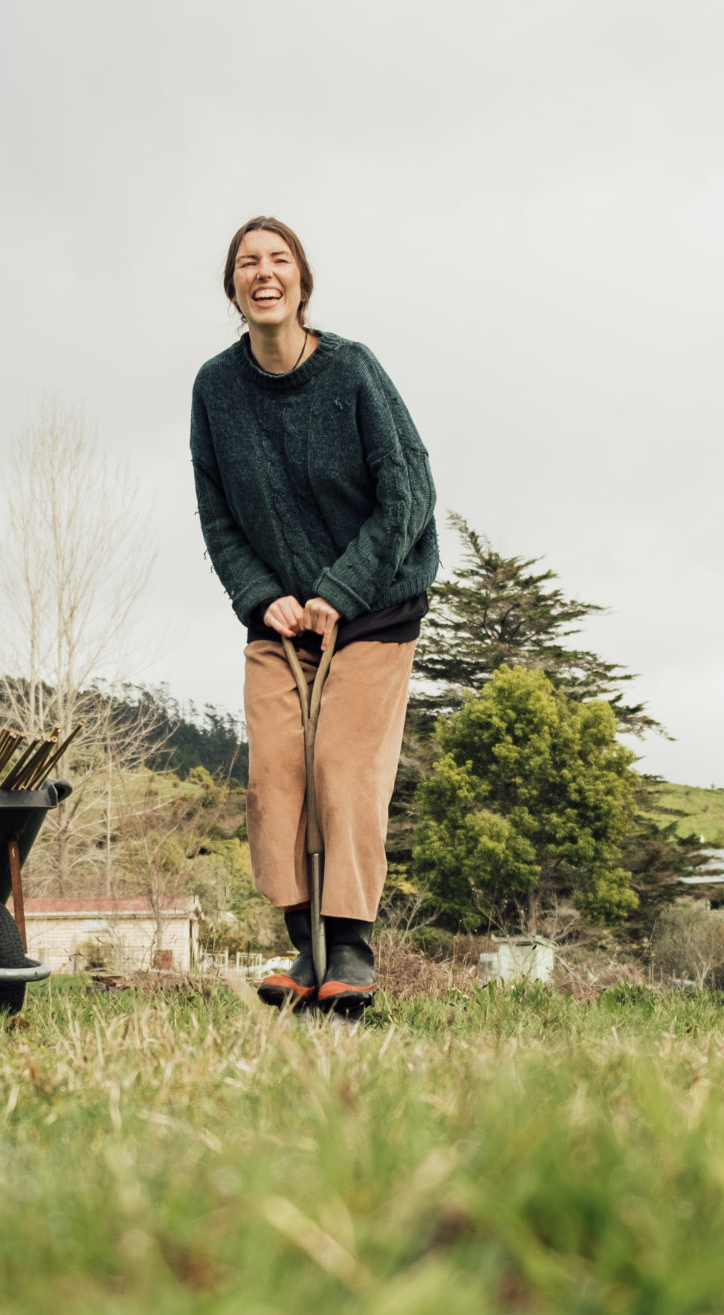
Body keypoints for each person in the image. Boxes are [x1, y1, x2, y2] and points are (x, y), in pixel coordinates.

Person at [190, 215, 438, 1011]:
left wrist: (340, 591)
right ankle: (308, 952)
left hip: (372, 608)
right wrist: (268, 598)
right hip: (278, 618)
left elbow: (409, 494)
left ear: (301, 280)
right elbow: (218, 519)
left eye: (279, 260)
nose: (264, 273)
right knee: (276, 775)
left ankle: (353, 953)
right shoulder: (215, 390)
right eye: (247, 263)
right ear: (232, 288)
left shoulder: (353, 371)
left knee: (341, 764)